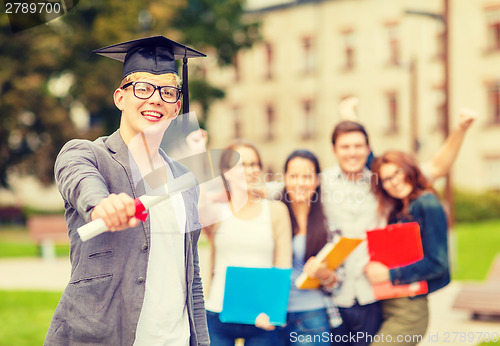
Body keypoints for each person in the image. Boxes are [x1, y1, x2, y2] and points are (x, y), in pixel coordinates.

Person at [44, 36, 210, 345]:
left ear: (176, 107)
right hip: (103, 336)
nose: (156, 99)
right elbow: (79, 178)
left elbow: (191, 271)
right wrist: (101, 205)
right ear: (120, 98)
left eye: (168, 92)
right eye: (143, 88)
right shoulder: (89, 154)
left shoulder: (184, 178)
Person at [321, 111, 475, 346]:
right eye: (345, 146)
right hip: (343, 298)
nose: (394, 181)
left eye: (358, 146)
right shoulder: (325, 183)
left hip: (383, 297)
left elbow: (437, 166)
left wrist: (460, 129)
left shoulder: (408, 194)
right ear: (334, 150)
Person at [203, 141, 292, 346]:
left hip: (261, 317)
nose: (251, 170)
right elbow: (196, 201)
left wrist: (274, 312)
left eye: (255, 164)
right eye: (242, 165)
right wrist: (197, 149)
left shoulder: (276, 210)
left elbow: (282, 266)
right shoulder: (217, 211)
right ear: (226, 172)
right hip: (217, 312)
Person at [365, 151, 450, 346]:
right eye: (386, 179)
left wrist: (389, 274)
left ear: (410, 169)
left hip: (409, 309)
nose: (393, 182)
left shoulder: (426, 203)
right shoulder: (401, 207)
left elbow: (438, 264)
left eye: (397, 173)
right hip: (389, 303)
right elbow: (371, 160)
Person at [279, 149, 343, 345]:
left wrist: (324, 274)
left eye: (307, 176)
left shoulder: (328, 226)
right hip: (272, 316)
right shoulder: (271, 217)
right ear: (285, 178)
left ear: (317, 180)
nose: (300, 183)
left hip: (312, 315)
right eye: (294, 176)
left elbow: (338, 282)